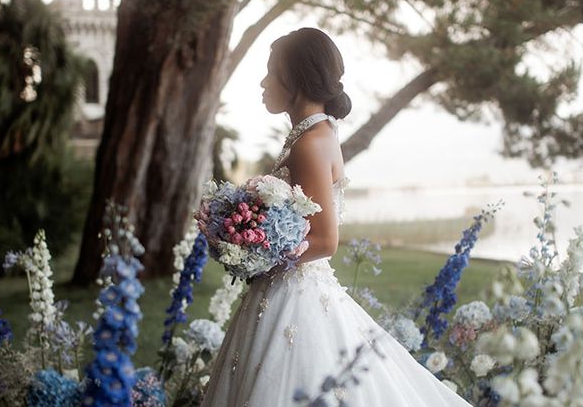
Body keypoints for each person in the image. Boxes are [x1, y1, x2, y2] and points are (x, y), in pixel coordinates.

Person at [201, 27, 472, 406]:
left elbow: (326, 241)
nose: (263, 83)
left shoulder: (310, 143)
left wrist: (254, 253)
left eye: (270, 71)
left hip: (293, 296)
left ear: (295, 76)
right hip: (284, 288)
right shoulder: (314, 133)